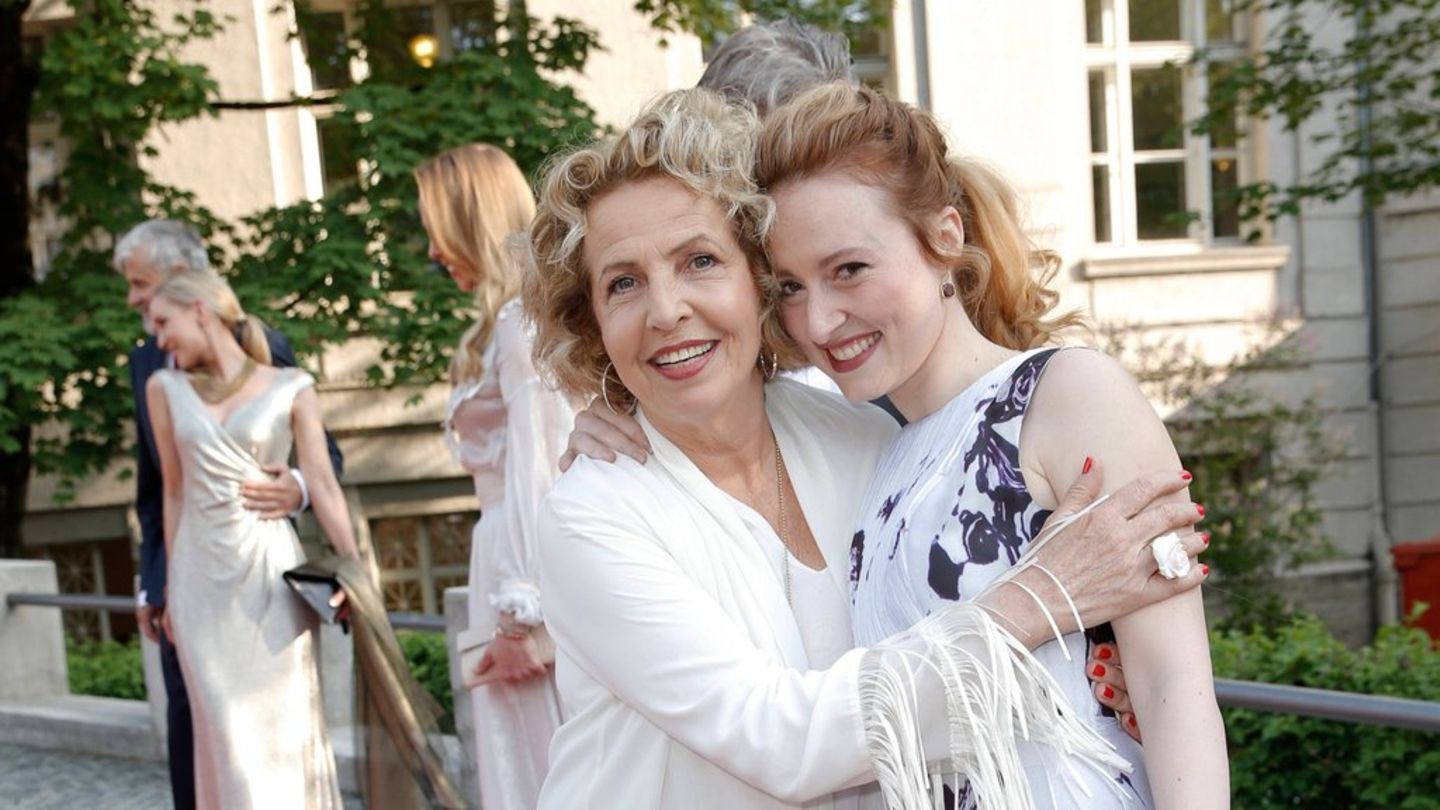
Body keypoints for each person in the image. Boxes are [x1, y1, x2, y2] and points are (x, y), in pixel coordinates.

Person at [522, 89, 1207, 809]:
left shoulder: (871, 438)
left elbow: (1156, 677)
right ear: (593, 322)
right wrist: (1046, 596)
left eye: (698, 261)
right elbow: (783, 743)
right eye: (622, 283)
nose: (666, 312)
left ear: (755, 286)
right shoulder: (592, 513)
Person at [754, 83, 1230, 807]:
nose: (818, 319)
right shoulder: (871, 452)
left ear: (944, 238)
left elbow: (1174, 685)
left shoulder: (1068, 395)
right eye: (790, 286)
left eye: (848, 269)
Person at [116, 219, 343, 810]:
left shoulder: (265, 345)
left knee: (272, 731)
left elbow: (324, 457)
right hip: (191, 580)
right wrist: (155, 582)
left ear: (186, 284)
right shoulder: (149, 365)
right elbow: (157, 486)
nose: (135, 300)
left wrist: (294, 489)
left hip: (263, 572)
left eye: (141, 283)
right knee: (195, 730)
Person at [415, 142, 574, 810]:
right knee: (523, 755)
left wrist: (522, 613)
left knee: (543, 758)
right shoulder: (502, 324)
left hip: (525, 562)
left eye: (435, 229)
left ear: (470, 219)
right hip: (504, 553)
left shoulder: (519, 323)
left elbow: (544, 459)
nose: (430, 251)